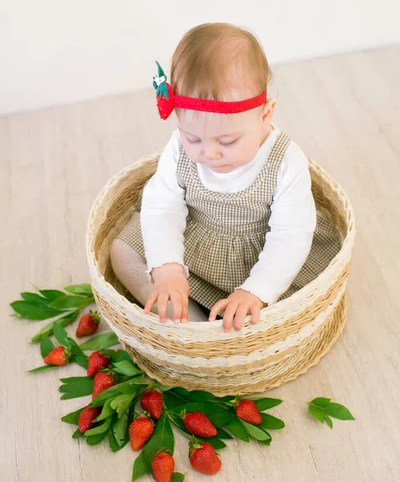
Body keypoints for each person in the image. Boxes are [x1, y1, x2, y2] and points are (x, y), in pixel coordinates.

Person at [111, 23, 332, 332]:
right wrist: (168, 268)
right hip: (194, 242)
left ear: (265, 114)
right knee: (123, 251)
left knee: (276, 303)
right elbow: (162, 209)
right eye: (193, 139)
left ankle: (229, 322)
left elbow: (290, 235)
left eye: (227, 142)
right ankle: (188, 322)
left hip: (257, 258)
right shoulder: (178, 149)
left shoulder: (285, 161)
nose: (208, 154)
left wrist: (256, 290)